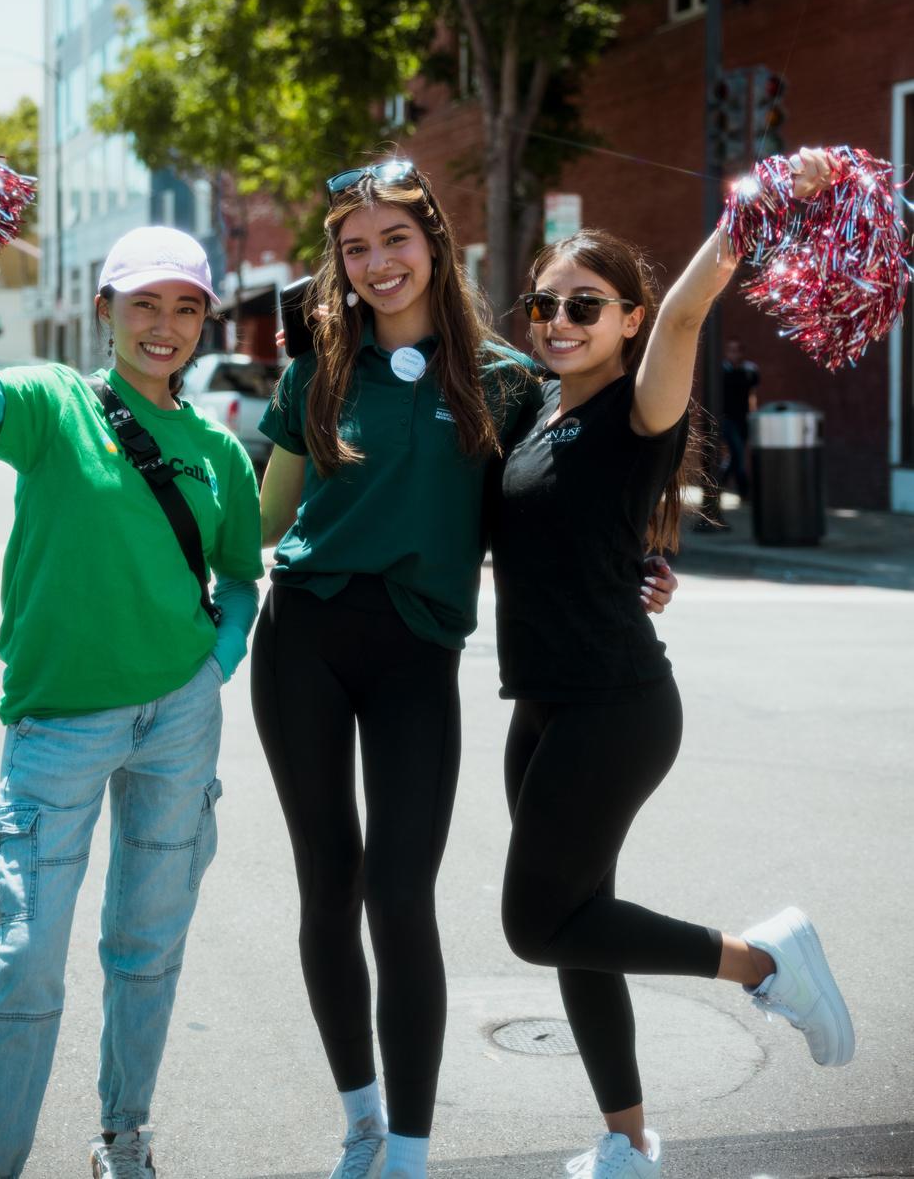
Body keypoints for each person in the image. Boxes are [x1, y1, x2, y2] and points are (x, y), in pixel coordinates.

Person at [254, 159, 676, 1179]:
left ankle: (409, 1151)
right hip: (302, 640)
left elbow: (563, 489)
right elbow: (264, 518)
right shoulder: (316, 368)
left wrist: (640, 561)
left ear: (434, 242)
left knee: (401, 893)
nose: (377, 263)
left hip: (417, 653)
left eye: (394, 238)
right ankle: (361, 1124)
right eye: (355, 248)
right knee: (328, 885)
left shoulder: (506, 379)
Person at [491, 149, 853, 1179]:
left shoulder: (636, 407)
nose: (559, 322)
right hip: (542, 705)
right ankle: (626, 1140)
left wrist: (764, 198)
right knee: (579, 928)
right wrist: (640, 566)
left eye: (585, 306)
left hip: (614, 706)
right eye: (545, 305)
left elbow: (691, 307)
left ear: (629, 319)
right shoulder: (536, 410)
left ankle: (764, 960)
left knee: (536, 922)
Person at [0, 225, 263, 1179]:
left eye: (185, 307)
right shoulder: (52, 402)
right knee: (26, 960)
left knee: (145, 948)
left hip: (179, 720)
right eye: (144, 303)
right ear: (105, 310)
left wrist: (217, 662)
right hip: (59, 724)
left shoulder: (218, 451)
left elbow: (239, 577)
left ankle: (124, 1136)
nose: (164, 325)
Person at [720, 336, 760, 501]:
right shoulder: (722, 370)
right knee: (738, 454)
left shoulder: (750, 371)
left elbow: (752, 395)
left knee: (736, 456)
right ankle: (744, 491)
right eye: (731, 350)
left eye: (737, 351)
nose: (734, 354)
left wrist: (753, 414)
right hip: (726, 419)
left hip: (743, 419)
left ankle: (717, 485)